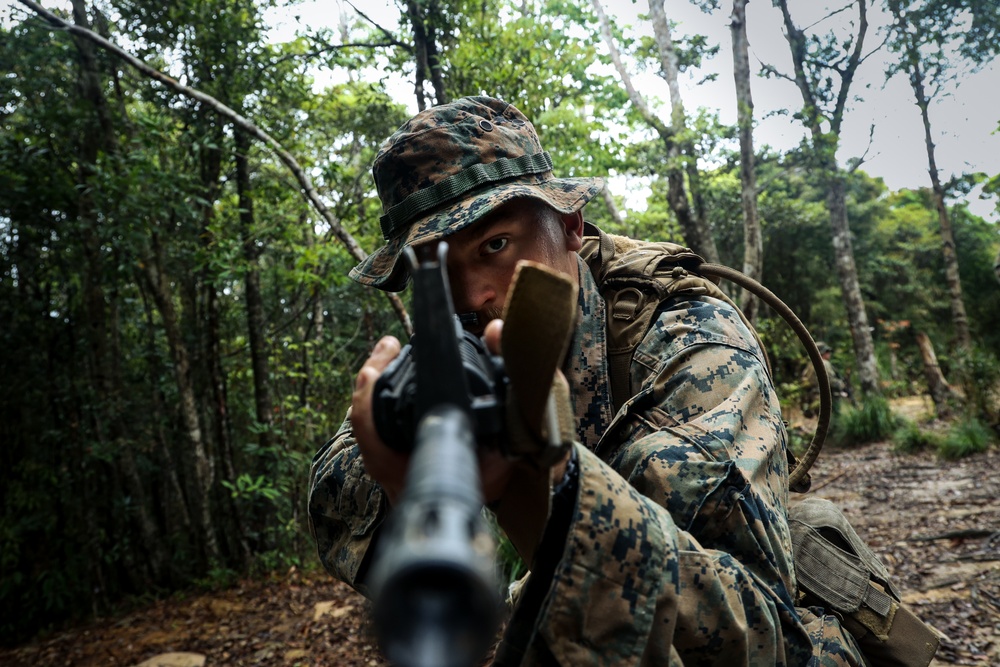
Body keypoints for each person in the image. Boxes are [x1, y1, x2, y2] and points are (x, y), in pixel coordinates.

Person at [308, 96, 865, 665]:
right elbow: (333, 492)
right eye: (434, 269)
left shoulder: (686, 342)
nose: (471, 296)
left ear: (570, 226)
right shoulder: (451, 343)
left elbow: (756, 631)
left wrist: (549, 479)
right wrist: (398, 456)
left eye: (495, 245)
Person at [800, 341, 850, 418]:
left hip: (814, 399)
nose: (829, 353)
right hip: (826, 399)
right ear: (821, 352)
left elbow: (804, 382)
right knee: (833, 422)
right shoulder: (825, 363)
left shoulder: (810, 365)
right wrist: (842, 385)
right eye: (827, 351)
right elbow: (831, 381)